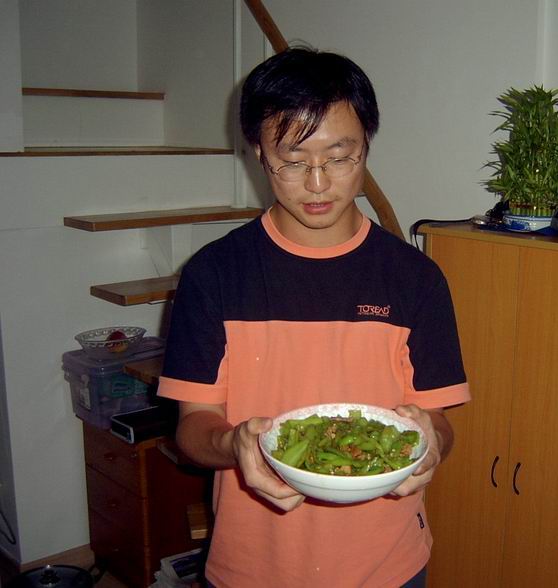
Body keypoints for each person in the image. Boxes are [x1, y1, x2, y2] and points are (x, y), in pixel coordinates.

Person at [157, 46, 470, 588]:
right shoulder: (214, 274)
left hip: (388, 566)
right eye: (294, 160)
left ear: (366, 147)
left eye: (340, 157)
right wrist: (235, 444)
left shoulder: (415, 278)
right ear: (259, 153)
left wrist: (431, 444)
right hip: (252, 566)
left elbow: (437, 421)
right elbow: (193, 426)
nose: (318, 183)